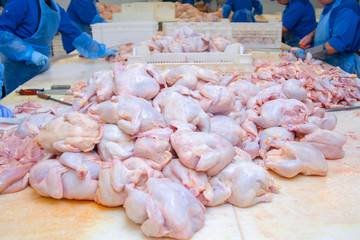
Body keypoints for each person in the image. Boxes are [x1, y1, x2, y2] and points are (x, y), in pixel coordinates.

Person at [0, 0, 117, 95]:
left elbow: (76, 35)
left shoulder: (56, 9)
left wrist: (101, 50)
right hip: (18, 70)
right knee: (18, 104)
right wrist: (28, 54)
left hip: (42, 68)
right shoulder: (21, 2)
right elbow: (2, 33)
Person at [298, 0, 360, 77]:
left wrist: (308, 53)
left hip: (342, 67)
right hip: (326, 63)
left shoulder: (348, 7)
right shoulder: (330, 5)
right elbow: (329, 27)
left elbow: (336, 45)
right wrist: (311, 36)